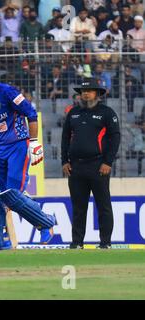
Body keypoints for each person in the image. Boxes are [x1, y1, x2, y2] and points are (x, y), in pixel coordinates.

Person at [0, 59, 56, 250]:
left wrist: (33, 143)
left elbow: (31, 113)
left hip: (18, 146)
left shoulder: (7, 92)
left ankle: (46, 222)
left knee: (11, 195)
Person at [61, 78, 121, 249]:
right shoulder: (73, 113)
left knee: (103, 206)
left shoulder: (107, 113)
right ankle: (77, 243)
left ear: (98, 93)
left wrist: (108, 161)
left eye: (89, 90)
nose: (85, 94)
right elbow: (65, 138)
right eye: (82, 91)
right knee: (78, 207)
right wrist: (64, 161)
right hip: (76, 167)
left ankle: (105, 243)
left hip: (98, 166)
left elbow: (115, 138)